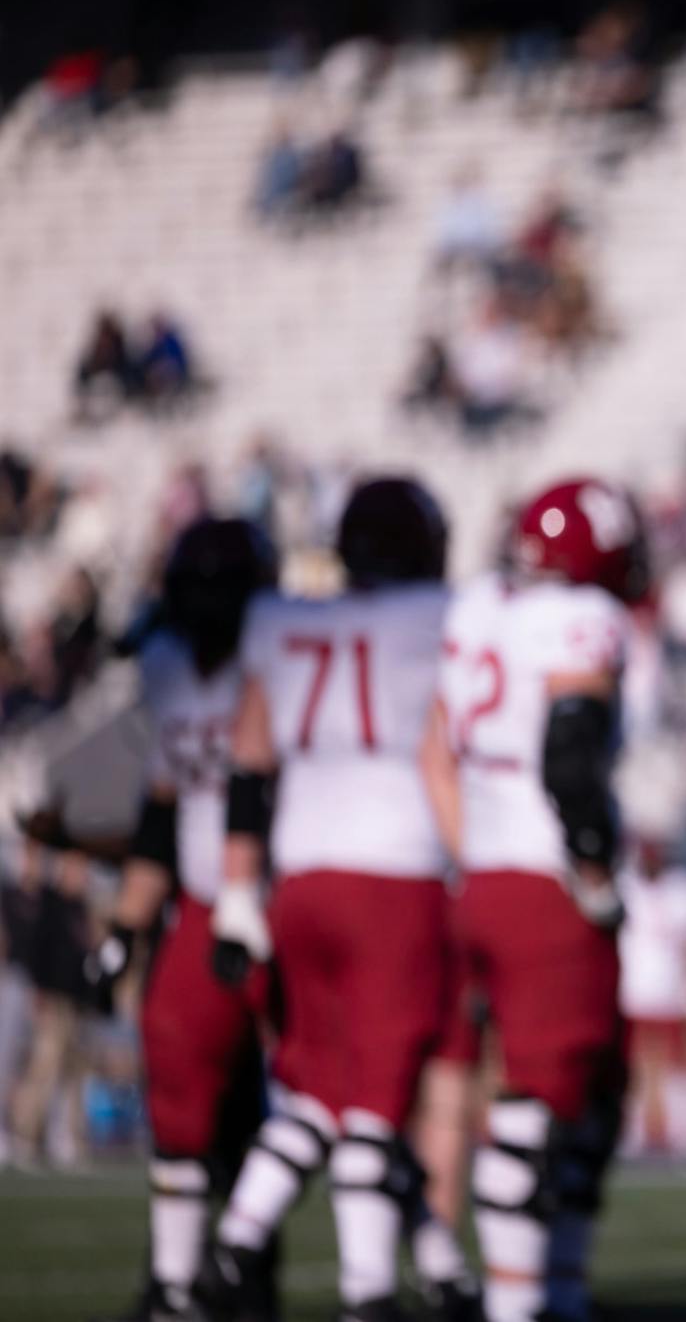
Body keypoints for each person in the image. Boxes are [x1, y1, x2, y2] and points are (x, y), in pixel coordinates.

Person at [202, 479, 475, 1322]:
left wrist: (239, 891)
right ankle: (368, 1291)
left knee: (317, 1085)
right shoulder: (441, 616)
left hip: (301, 877)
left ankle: (236, 1239)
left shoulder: (285, 620)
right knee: (375, 1099)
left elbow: (248, 763)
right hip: (395, 870)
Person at [426, 478, 648, 1322]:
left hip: (484, 871)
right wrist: (592, 869)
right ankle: (522, 1302)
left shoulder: (479, 608)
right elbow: (569, 754)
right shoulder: (578, 618)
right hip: (545, 877)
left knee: (592, 1085)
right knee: (540, 1098)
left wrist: (468, 853)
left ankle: (557, 1287)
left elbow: (434, 750)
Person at [88, 520, 278, 1322]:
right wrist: (125, 927)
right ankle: (179, 1283)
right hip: (204, 906)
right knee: (187, 1090)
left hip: (283, 901)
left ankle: (394, 1277)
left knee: (330, 1098)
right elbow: (161, 817)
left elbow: (256, 786)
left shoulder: (278, 663)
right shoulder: (168, 670)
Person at [617, 836, 686, 1160]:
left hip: (673, 991)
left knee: (680, 1067)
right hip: (630, 993)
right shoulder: (624, 887)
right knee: (629, 1068)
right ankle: (630, 1134)